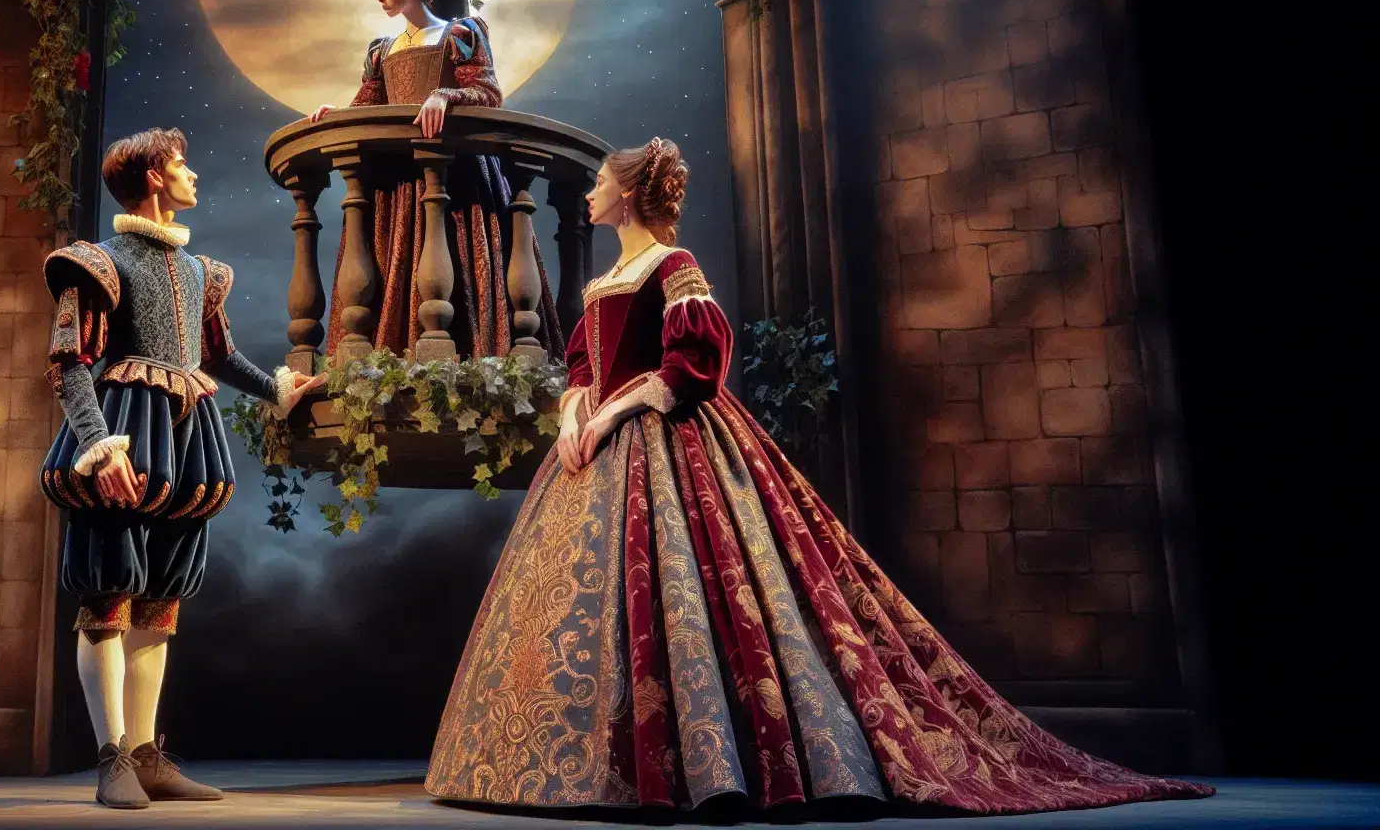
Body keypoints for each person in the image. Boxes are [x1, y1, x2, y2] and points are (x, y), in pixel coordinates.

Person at [424, 138, 1214, 815]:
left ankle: (709, 767)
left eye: (601, 181)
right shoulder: (603, 282)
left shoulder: (674, 263)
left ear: (628, 193)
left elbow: (696, 362)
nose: (592, 190)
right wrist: (573, 417)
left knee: (694, 596)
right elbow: (578, 364)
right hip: (592, 457)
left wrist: (611, 415)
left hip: (664, 441)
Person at [39, 127, 320, 808]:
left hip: (185, 441)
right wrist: (98, 444)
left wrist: (278, 390)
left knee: (160, 603)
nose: (192, 175)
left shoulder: (201, 272)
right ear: (155, 179)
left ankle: (146, 755)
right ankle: (110, 759)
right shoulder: (98, 262)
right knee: (108, 596)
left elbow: (217, 357)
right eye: (181, 166)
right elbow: (71, 365)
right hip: (126, 438)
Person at [308, 0, 562, 359]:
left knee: (458, 265)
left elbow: (488, 92)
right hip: (397, 181)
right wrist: (337, 114)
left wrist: (446, 94)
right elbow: (367, 104)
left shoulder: (460, 33)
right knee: (398, 269)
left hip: (455, 176)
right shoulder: (381, 50)